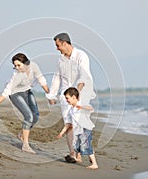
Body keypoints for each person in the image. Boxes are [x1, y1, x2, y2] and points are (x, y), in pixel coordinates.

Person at [46, 32, 96, 162]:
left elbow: (83, 76)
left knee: (79, 123)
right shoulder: (61, 59)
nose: (57, 48)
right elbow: (57, 77)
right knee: (69, 124)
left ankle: (81, 153)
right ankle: (73, 154)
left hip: (81, 94)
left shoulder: (81, 56)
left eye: (58, 45)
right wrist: (52, 95)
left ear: (65, 43)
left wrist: (76, 93)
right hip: (66, 96)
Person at [0, 53, 49, 154]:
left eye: (19, 65)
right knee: (29, 116)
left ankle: (21, 134)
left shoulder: (33, 67)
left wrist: (49, 94)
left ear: (26, 63)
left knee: (36, 116)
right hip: (15, 93)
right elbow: (6, 92)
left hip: (27, 91)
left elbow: (41, 79)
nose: (17, 68)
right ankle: (25, 145)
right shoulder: (16, 75)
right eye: (15, 66)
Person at [57, 87, 98, 169]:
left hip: (85, 128)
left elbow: (91, 108)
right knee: (77, 146)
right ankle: (83, 156)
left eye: (67, 98)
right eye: (65, 98)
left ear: (74, 97)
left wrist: (82, 107)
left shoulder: (82, 104)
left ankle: (94, 164)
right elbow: (68, 123)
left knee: (85, 145)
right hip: (78, 130)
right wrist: (62, 132)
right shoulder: (71, 110)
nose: (66, 100)